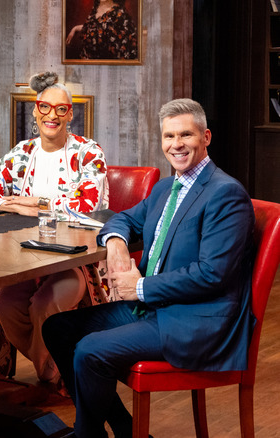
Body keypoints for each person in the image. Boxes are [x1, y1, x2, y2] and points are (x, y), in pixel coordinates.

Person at [42, 98, 254, 438]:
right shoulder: (165, 189)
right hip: (156, 308)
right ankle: (125, 429)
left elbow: (212, 274)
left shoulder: (226, 194)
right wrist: (115, 243)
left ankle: (87, 435)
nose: (176, 145)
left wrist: (137, 288)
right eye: (169, 136)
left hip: (195, 321)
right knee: (58, 329)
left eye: (186, 135)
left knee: (91, 351)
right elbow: (122, 219)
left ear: (206, 137)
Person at [0, 72, 109, 391]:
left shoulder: (89, 153)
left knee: (46, 303)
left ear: (70, 114)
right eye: (45, 108)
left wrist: (37, 202)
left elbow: (87, 203)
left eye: (61, 109)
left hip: (76, 262)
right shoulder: (22, 154)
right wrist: (13, 203)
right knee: (5, 306)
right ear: (35, 110)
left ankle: (48, 373)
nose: (52, 116)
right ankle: (55, 368)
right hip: (27, 259)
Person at [66, 0, 138, 60]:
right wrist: (75, 28)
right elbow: (96, 27)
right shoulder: (96, 8)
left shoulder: (121, 16)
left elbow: (125, 57)